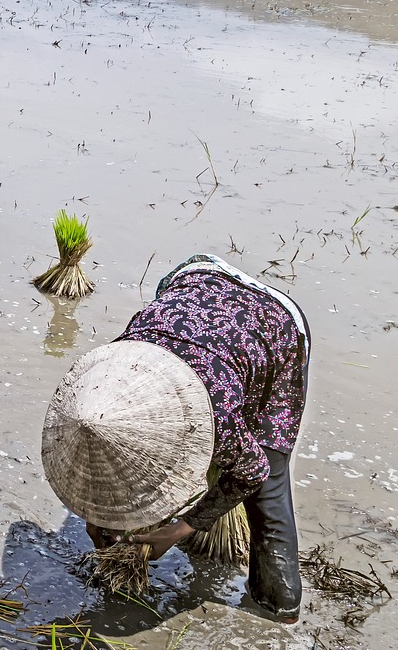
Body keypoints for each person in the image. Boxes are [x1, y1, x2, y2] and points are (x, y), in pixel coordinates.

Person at [41, 253, 310, 623]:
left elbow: (253, 471)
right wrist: (96, 517)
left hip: (274, 324)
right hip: (191, 282)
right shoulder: (107, 374)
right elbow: (113, 463)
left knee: (268, 488)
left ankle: (278, 611)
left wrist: (180, 530)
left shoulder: (213, 406)